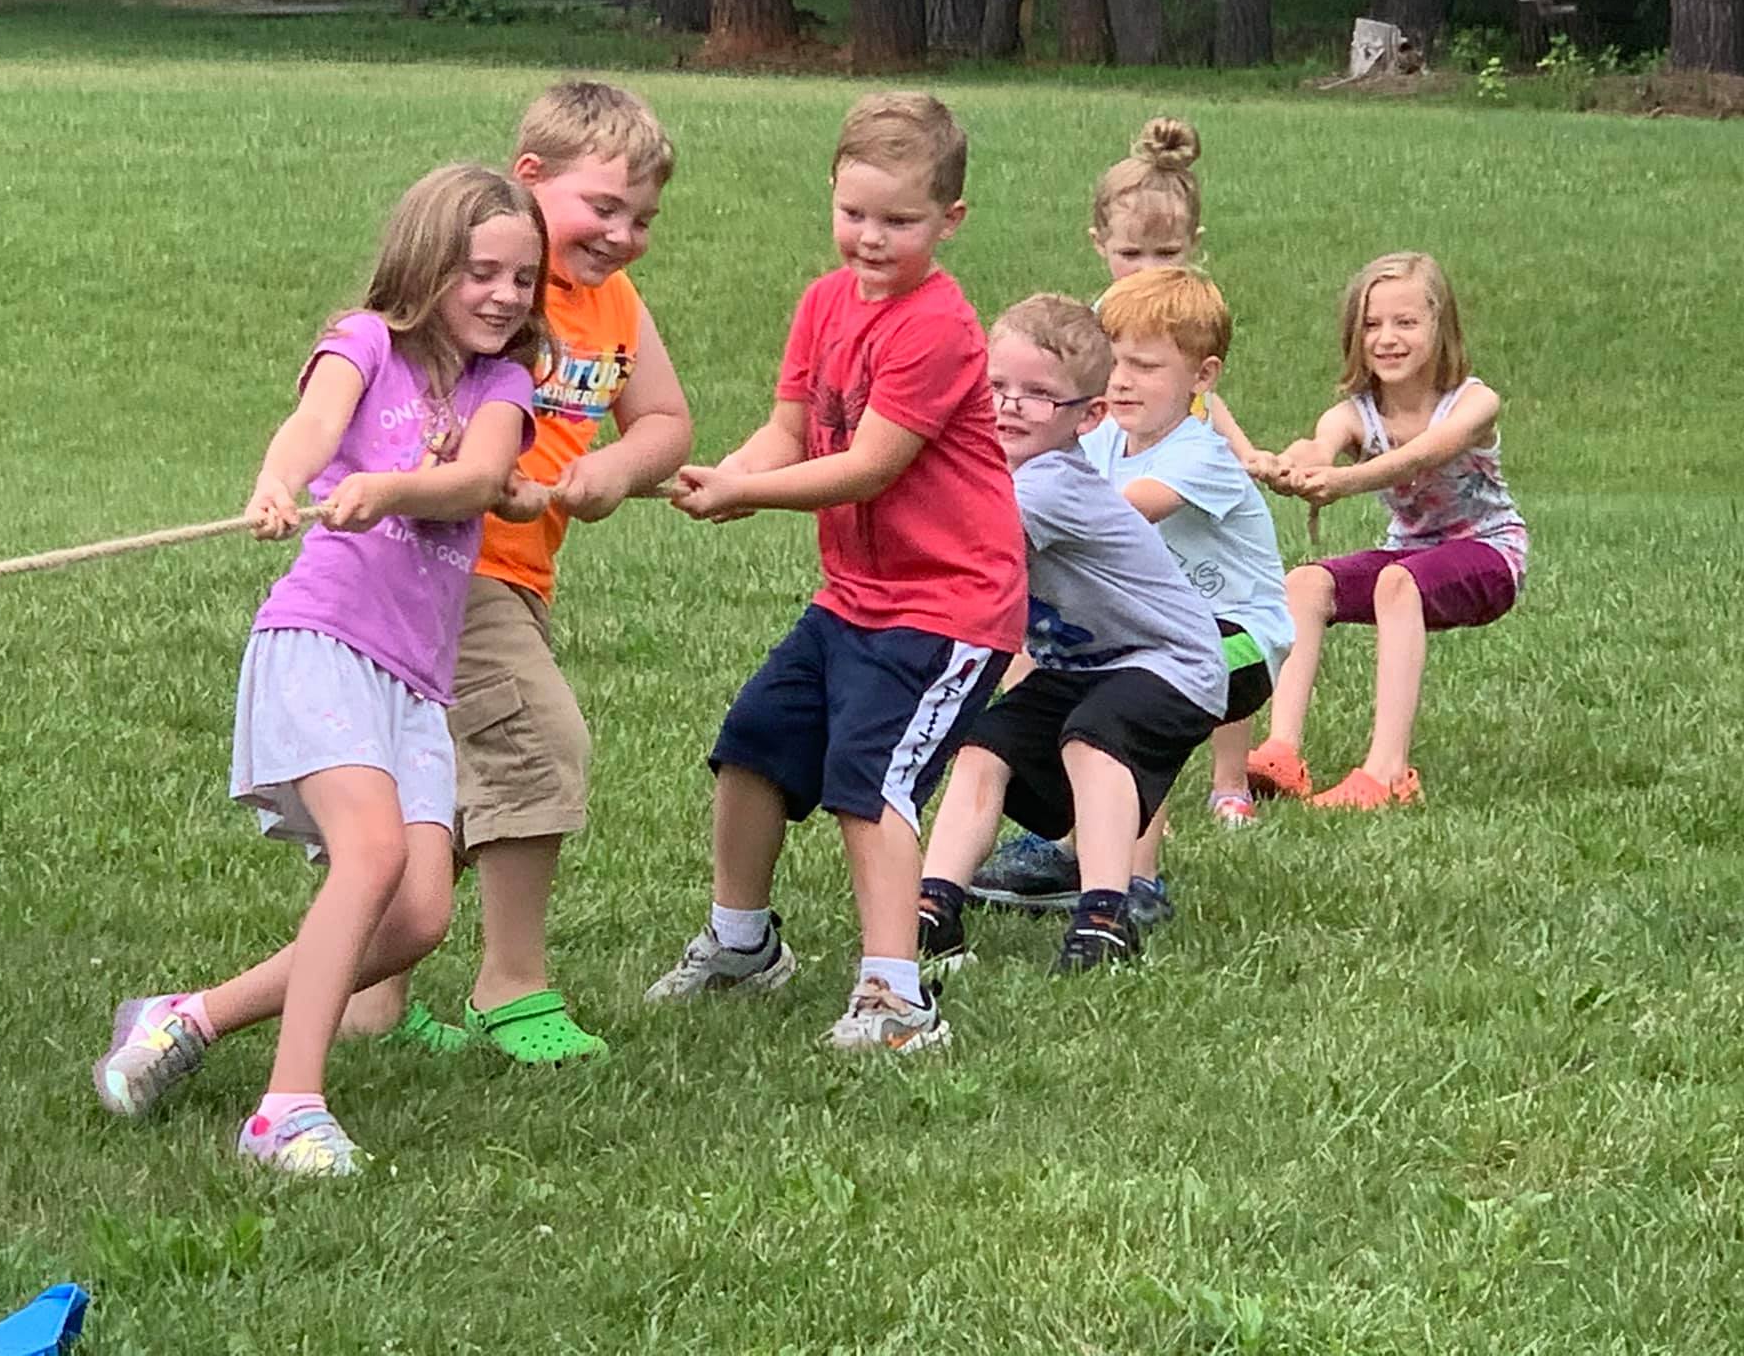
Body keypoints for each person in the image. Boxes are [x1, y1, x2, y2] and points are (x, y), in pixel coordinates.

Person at [90, 164, 545, 1175]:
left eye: (523, 278)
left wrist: (388, 487)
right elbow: (311, 426)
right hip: (324, 641)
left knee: (419, 915)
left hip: (414, 683)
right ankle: (285, 1108)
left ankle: (192, 1018)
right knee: (372, 857)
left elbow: (475, 478)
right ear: (427, 264)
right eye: (482, 272)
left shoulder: (501, 385)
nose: (505, 296)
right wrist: (279, 482)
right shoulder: (365, 342)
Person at [645, 91, 1023, 1052]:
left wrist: (749, 498)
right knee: (751, 746)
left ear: (949, 221)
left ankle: (897, 1001)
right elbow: (787, 429)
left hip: (947, 610)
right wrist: (728, 474)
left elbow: (868, 466)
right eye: (854, 213)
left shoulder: (936, 326)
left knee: (869, 779)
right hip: (854, 600)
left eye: (899, 221)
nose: (871, 237)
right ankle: (742, 944)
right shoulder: (822, 303)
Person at [347, 81, 693, 1065]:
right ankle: (512, 984)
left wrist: (610, 470)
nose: (622, 234)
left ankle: (367, 999)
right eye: (603, 206)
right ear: (528, 177)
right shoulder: (493, 285)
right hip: (445, 568)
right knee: (537, 743)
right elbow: (395, 388)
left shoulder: (615, 303)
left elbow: (664, 422)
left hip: (521, 577)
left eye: (642, 218)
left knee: (449, 789)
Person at [914, 295, 1228, 972]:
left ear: (1088, 417)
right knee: (982, 747)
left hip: (1170, 662)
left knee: (1094, 740)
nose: (1008, 405)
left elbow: (961, 548)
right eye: (995, 387)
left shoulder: (1046, 484)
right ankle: (933, 905)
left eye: (1037, 395)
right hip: (1081, 667)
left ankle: (1105, 918)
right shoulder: (1000, 472)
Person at [1246, 251, 1528, 810]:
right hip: (1407, 554)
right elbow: (1319, 444)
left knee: (1396, 582)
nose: (1387, 338)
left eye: (1405, 323)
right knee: (1305, 583)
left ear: (1439, 327)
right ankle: (1281, 752)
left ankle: (1389, 771)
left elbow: (1425, 455)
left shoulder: (1474, 402)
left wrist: (1341, 481)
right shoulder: (1356, 413)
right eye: (1372, 324)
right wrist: (1293, 465)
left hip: (1489, 553)